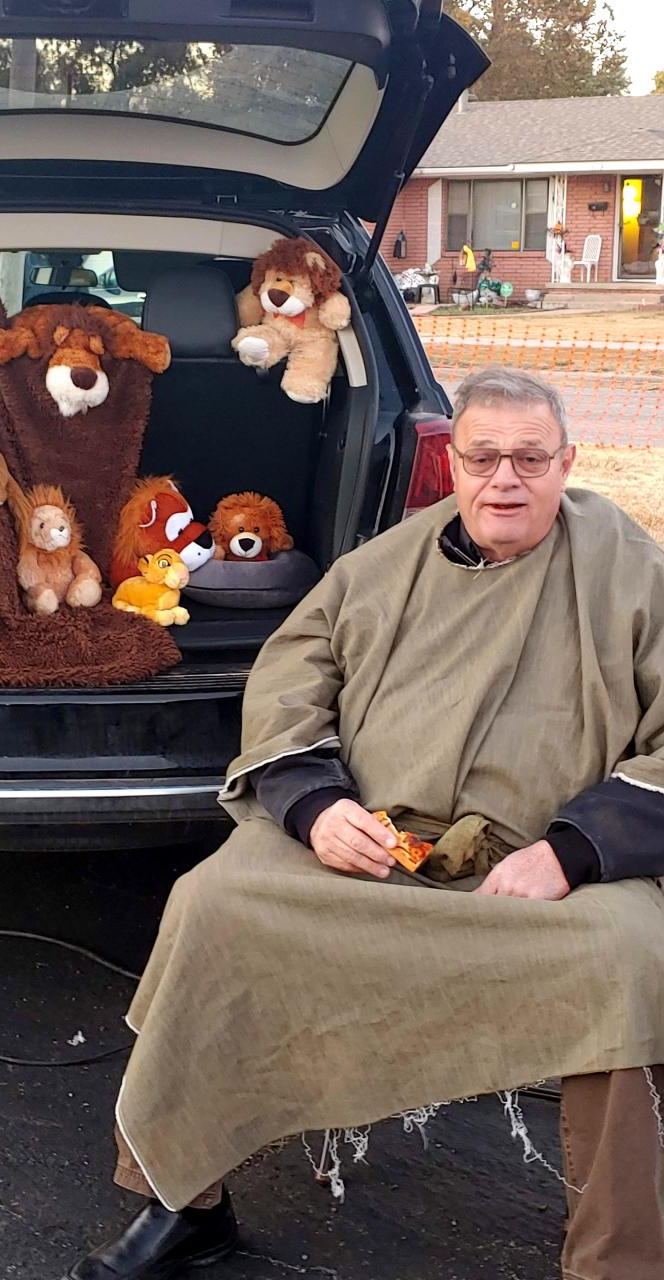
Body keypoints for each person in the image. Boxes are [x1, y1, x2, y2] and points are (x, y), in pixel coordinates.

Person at [63, 367, 664, 1280]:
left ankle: (618, 1263)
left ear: (567, 462)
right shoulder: (385, 563)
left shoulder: (629, 565)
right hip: (376, 851)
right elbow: (293, 671)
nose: (506, 479)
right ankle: (181, 1201)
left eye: (530, 459)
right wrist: (314, 805)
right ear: (453, 463)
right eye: (484, 457)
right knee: (213, 902)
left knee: (630, 963)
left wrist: (574, 851)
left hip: (541, 875)